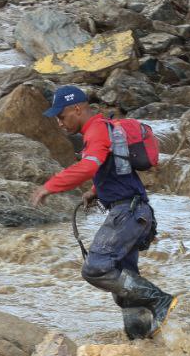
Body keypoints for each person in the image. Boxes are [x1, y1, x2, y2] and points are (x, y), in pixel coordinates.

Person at [31, 86, 177, 339]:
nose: (59, 123)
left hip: (128, 214)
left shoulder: (97, 130)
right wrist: (96, 191)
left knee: (96, 268)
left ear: (77, 108)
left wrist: (50, 186)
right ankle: (141, 342)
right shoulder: (104, 129)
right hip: (134, 212)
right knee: (125, 284)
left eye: (62, 116)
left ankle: (160, 300)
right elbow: (115, 167)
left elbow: (89, 166)